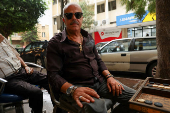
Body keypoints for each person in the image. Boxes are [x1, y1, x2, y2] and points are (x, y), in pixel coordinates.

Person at [47, 3, 136, 113]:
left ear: (82, 18)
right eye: (69, 15)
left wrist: (109, 77)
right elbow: (53, 75)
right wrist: (73, 89)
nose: (74, 18)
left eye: (78, 15)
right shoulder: (55, 43)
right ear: (64, 20)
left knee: (136, 99)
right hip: (76, 86)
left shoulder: (88, 37)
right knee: (96, 109)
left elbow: (98, 60)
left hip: (100, 82)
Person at [0, 34, 50, 113]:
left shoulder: (4, 40)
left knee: (50, 80)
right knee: (36, 92)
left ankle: (59, 109)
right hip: (7, 79)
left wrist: (26, 66)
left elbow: (17, 56)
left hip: (21, 71)